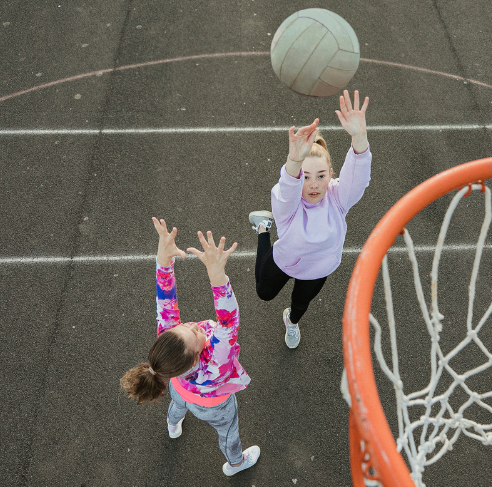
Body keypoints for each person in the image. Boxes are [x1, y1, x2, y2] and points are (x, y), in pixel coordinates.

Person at [120, 218, 259, 476]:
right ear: (196, 358)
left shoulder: (170, 342)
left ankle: (173, 425)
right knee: (228, 433)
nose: (195, 327)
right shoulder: (215, 363)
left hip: (181, 388)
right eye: (195, 334)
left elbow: (165, 296)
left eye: (185, 326)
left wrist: (164, 256)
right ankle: (236, 463)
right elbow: (228, 322)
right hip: (214, 404)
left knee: (178, 403)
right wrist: (216, 273)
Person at [249, 89, 371, 348]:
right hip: (285, 261)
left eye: (320, 176)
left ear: (331, 174)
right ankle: (263, 228)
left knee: (300, 304)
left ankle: (291, 322)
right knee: (264, 292)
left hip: (317, 269)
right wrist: (294, 161)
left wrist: (359, 138)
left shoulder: (338, 198)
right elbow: (286, 190)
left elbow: (357, 179)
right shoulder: (288, 207)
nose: (313, 184)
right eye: (305, 177)